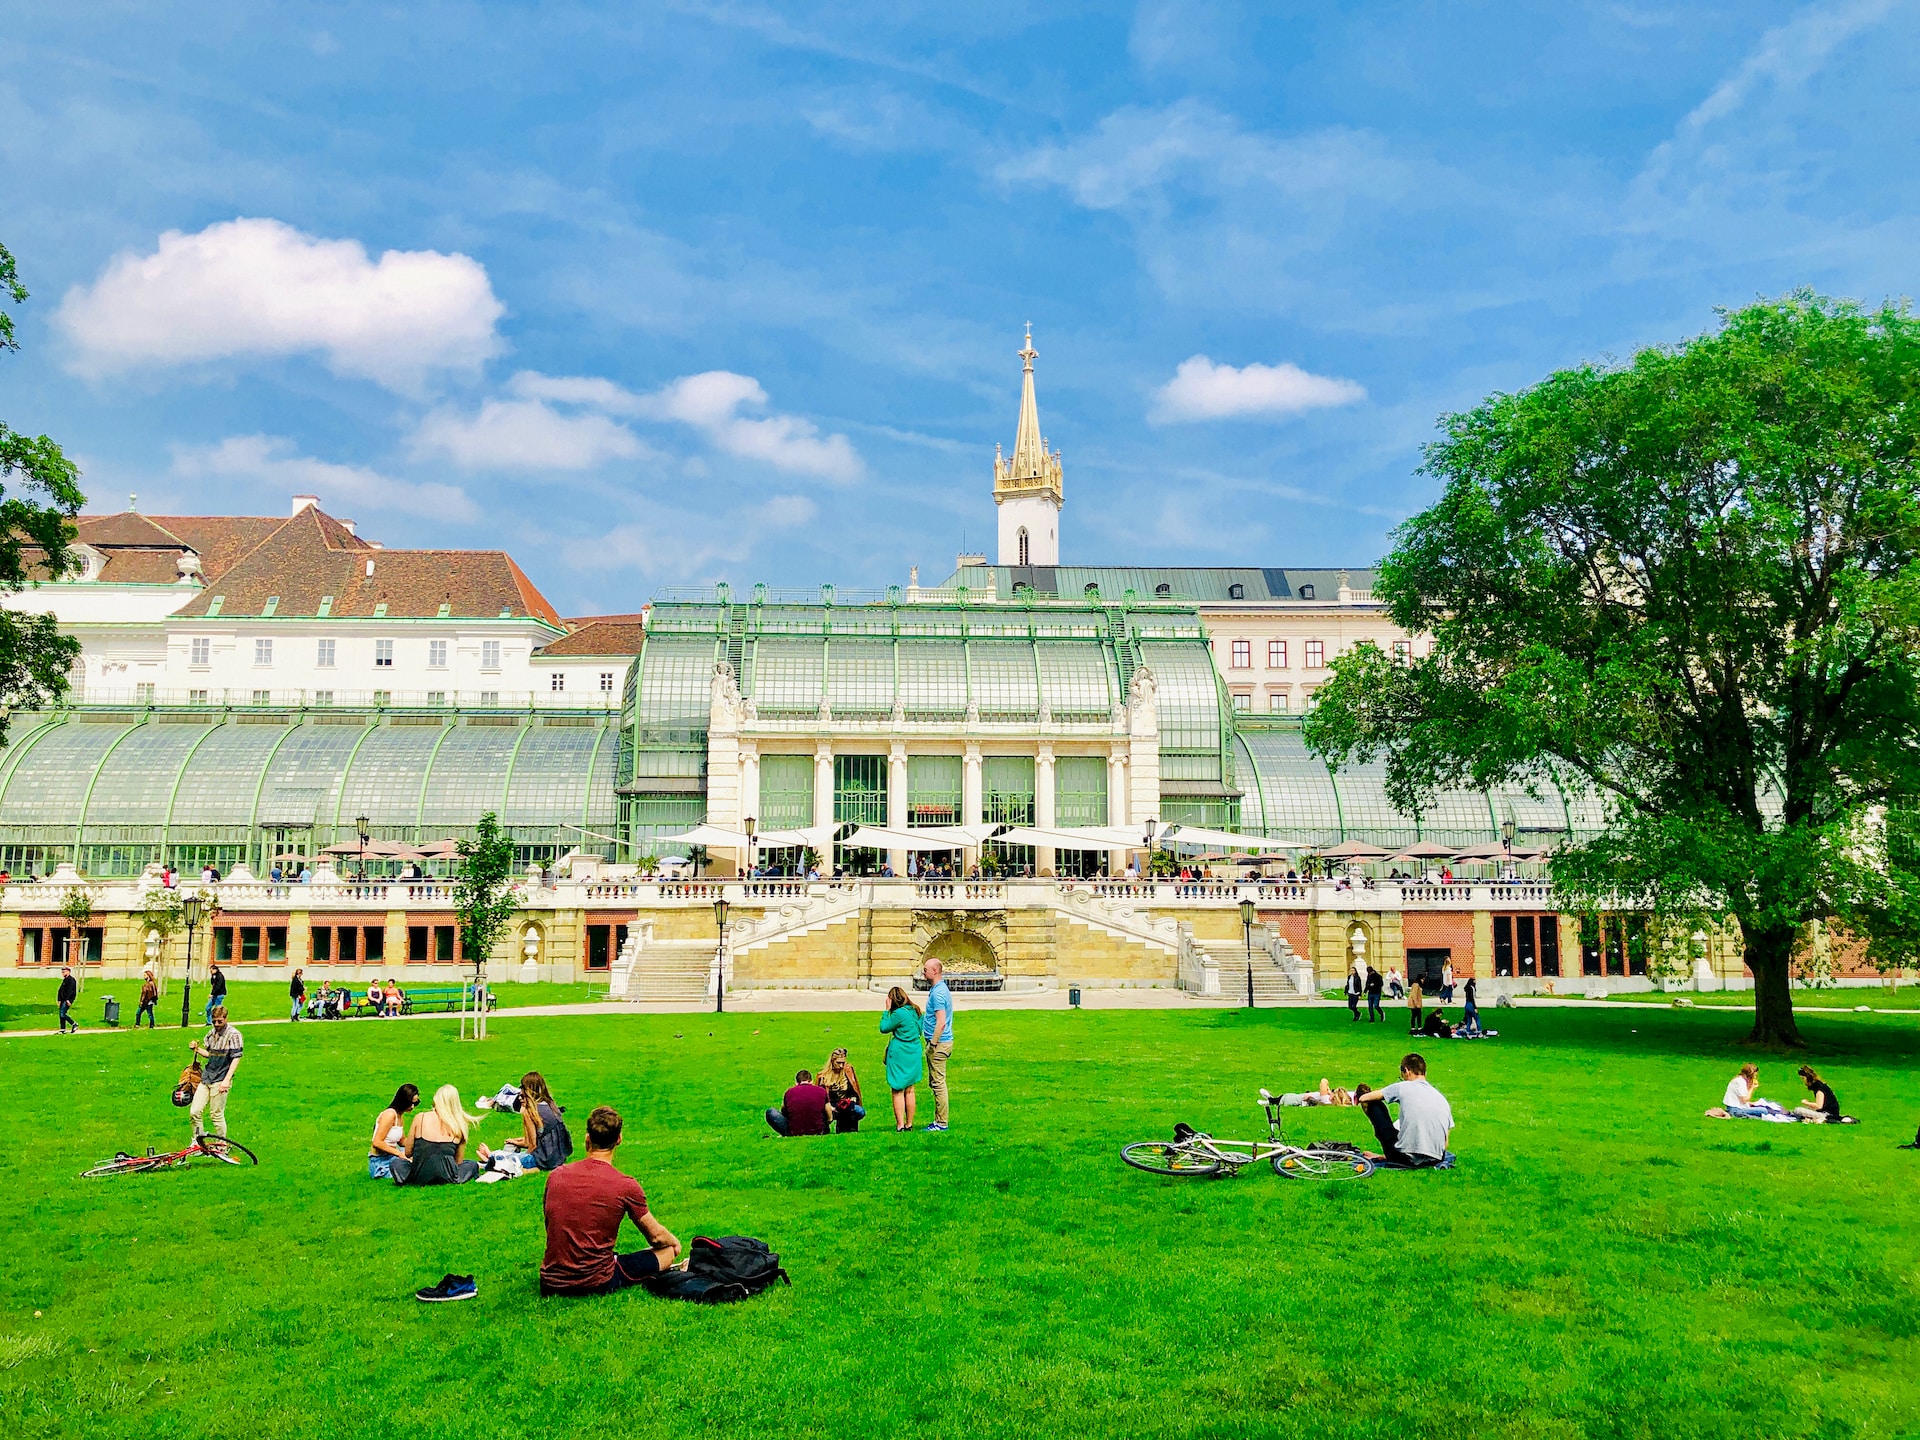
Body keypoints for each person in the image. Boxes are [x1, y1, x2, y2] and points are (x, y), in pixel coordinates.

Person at [539, 1105, 684, 1296]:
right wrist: (675, 1244)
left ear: (587, 1139)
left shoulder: (556, 1176)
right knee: (667, 1251)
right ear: (619, 1140)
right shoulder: (625, 1185)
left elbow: (552, 1223)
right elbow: (656, 1236)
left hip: (550, 1281)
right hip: (595, 1280)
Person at [1355, 1054, 1454, 1169]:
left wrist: (1362, 1098)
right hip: (1436, 1158)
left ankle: (1393, 1155)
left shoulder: (1403, 1086)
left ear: (1406, 1071)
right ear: (1424, 1073)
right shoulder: (1441, 1098)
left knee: (1374, 1104)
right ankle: (1390, 1156)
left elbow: (1364, 1098)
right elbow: (1445, 1143)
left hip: (1406, 1158)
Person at [391, 1084, 488, 1185]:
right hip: (448, 1176)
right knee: (471, 1164)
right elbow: (458, 1161)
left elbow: (408, 1152)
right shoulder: (459, 1125)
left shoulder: (420, 1117)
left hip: (419, 1175)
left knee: (396, 1163)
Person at [189, 1005, 244, 1141]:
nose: (217, 1024)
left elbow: (236, 1058)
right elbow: (210, 1054)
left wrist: (227, 1080)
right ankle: (198, 1139)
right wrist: (197, 1049)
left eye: (220, 1021)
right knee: (194, 1112)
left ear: (226, 1018)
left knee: (216, 1114)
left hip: (221, 1078)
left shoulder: (234, 1035)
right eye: (214, 1021)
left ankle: (222, 1143)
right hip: (207, 1077)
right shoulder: (210, 1034)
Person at [880, 986, 924, 1131]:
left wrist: (886, 1011)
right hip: (914, 1050)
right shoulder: (915, 1010)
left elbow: (884, 1028)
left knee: (897, 1088)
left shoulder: (898, 1014)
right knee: (910, 1089)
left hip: (900, 1052)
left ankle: (900, 1124)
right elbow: (919, 1030)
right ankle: (909, 1123)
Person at [515, 1071, 574, 1170]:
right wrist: (515, 1141)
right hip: (559, 1157)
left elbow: (532, 1145)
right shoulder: (551, 1104)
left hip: (542, 1159)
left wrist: (525, 1157)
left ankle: (490, 1158)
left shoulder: (530, 1112)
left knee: (506, 1159)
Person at [921, 958, 954, 1132]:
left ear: (935, 971)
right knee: (935, 1083)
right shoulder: (938, 989)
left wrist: (932, 1044)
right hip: (939, 1042)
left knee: (938, 1084)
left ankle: (941, 1123)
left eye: (925, 969)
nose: (923, 973)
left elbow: (940, 1022)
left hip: (939, 1044)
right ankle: (938, 1120)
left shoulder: (939, 993)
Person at [368, 1083, 420, 1178]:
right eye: (410, 1103)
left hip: (392, 1156)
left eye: (415, 1103)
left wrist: (417, 1143)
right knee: (410, 1173)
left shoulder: (399, 1116)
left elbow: (402, 1141)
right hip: (380, 1160)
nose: (412, 1107)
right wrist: (399, 1154)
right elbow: (377, 1142)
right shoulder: (390, 1115)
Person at [766, 1069, 830, 1136]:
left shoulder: (789, 1092)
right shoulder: (821, 1091)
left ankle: (787, 1133)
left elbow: (784, 1111)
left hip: (794, 1131)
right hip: (818, 1130)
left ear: (796, 1082)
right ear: (811, 1081)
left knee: (771, 1111)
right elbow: (830, 1117)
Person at [818, 1047, 865, 1132]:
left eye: (843, 1063)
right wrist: (829, 1107)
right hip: (830, 1104)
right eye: (838, 1063)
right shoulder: (823, 1076)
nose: (841, 1066)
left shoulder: (848, 1071)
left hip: (845, 1104)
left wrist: (853, 1099)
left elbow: (854, 1091)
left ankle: (850, 1129)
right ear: (832, 1061)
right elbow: (819, 1097)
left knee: (859, 1111)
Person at [56, 965, 78, 1033]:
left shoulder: (71, 980)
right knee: (61, 1014)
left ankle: (74, 1024)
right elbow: (60, 990)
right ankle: (63, 1029)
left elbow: (71, 991)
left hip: (67, 1000)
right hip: (62, 999)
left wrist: (68, 999)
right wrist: (59, 999)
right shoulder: (65, 980)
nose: (63, 973)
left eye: (64, 972)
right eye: (62, 972)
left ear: (68, 972)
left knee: (63, 1014)